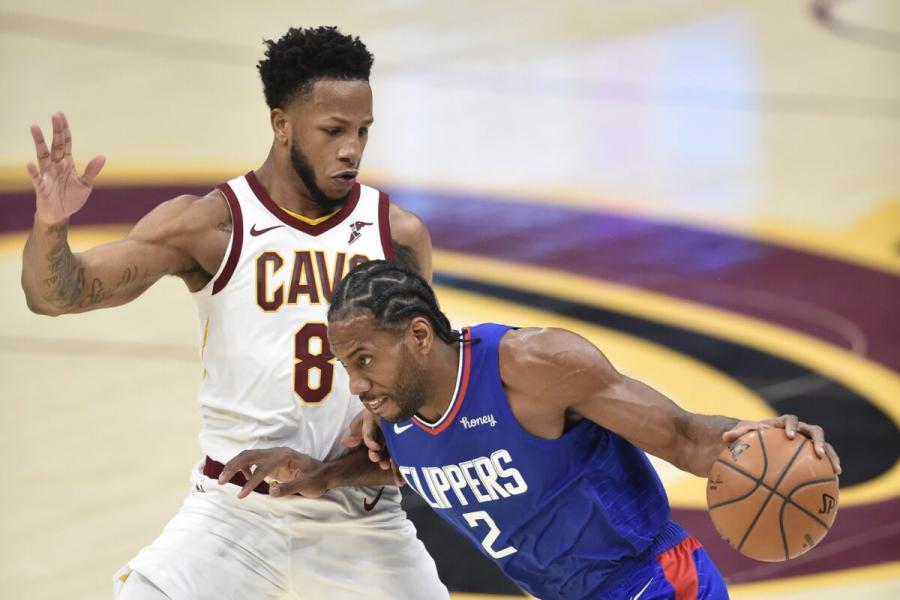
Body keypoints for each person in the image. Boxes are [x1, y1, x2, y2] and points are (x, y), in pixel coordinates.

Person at [21, 28, 448, 600]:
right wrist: (51, 223)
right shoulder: (210, 224)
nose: (352, 149)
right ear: (281, 125)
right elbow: (58, 294)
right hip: (234, 513)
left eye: (362, 131)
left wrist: (336, 470)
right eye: (333, 131)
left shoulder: (397, 235)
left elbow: (432, 406)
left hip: (362, 515)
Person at [221, 260, 843, 600]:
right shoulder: (396, 415)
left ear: (416, 335)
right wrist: (324, 472)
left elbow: (686, 438)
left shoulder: (533, 367)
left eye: (363, 361)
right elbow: (426, 461)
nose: (354, 383)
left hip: (650, 582)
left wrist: (763, 442)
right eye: (346, 367)